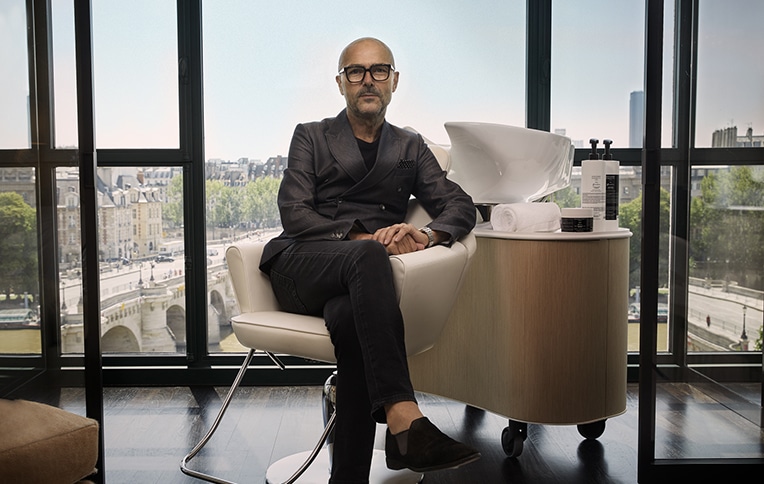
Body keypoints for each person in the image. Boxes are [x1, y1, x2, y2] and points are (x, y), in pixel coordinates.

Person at [259, 37, 479, 483]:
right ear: (341, 83)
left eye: (379, 70)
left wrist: (426, 234)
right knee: (365, 254)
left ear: (394, 81)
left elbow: (460, 205)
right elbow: (295, 214)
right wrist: (368, 238)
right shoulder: (311, 135)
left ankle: (352, 476)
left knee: (350, 324)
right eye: (355, 72)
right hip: (302, 267)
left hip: (360, 287)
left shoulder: (410, 146)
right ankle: (403, 414)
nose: (368, 80)